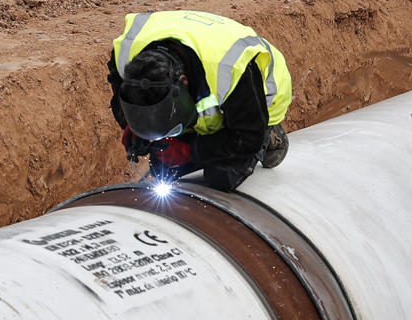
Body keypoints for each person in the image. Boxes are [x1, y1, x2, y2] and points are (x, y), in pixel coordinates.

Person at [108, 10, 292, 192]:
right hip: (195, 96)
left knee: (222, 176)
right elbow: (120, 94)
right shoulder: (127, 55)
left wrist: (189, 152)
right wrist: (134, 125)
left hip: (255, 110)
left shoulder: (230, 69)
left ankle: (271, 137)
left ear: (183, 82)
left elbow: (247, 138)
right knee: (164, 169)